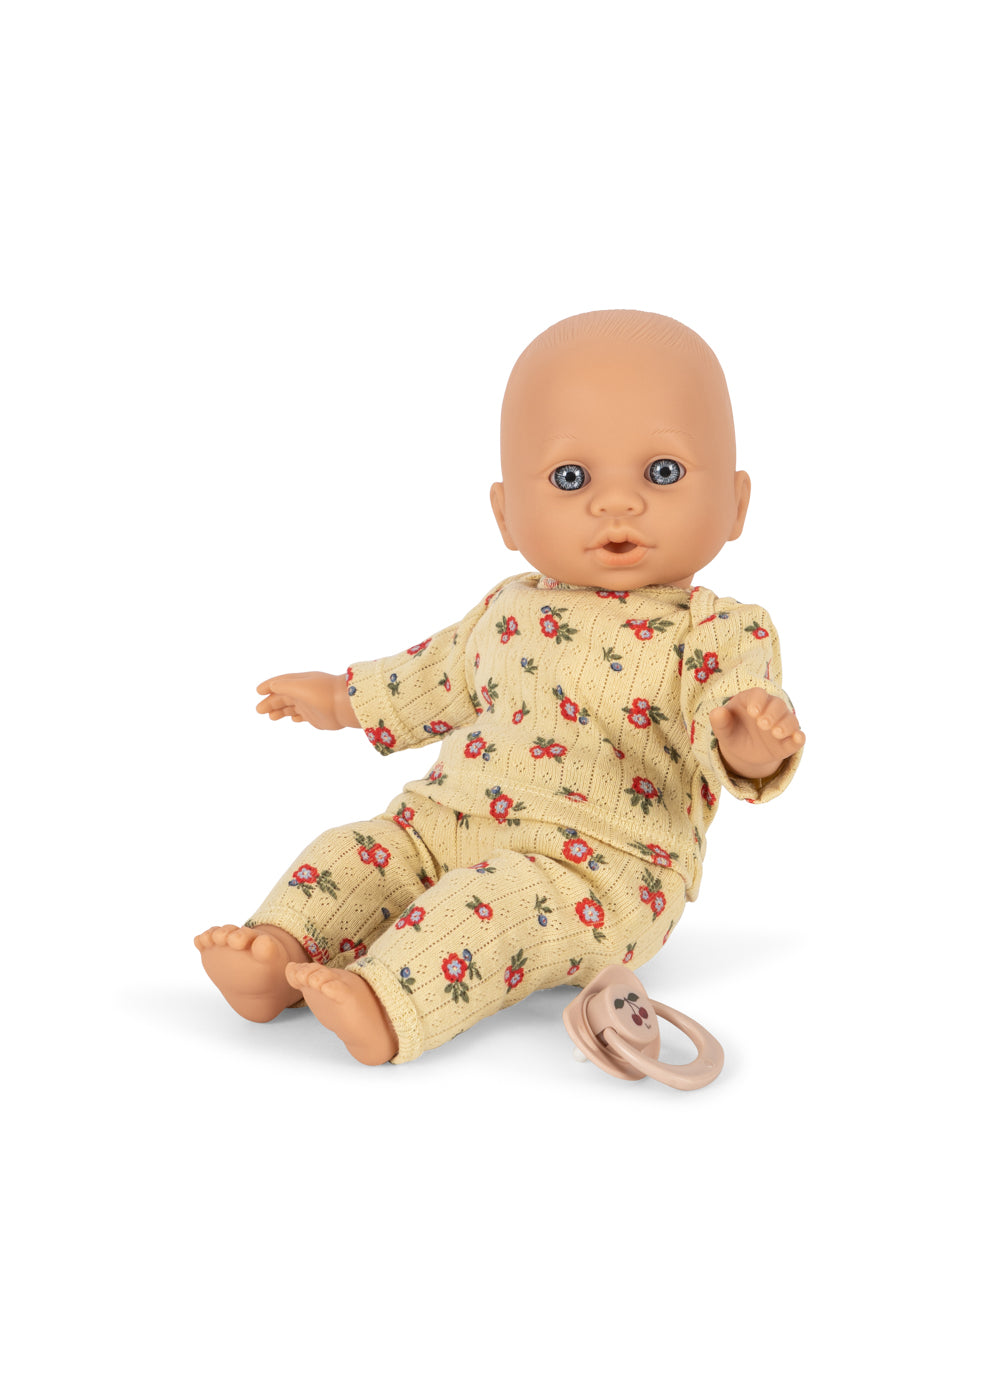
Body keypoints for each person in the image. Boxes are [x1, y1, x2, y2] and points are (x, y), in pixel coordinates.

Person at [194, 309, 806, 1065]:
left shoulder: (716, 629)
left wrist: (748, 743)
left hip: (597, 871)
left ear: (737, 504)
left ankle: (388, 1007)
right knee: (356, 850)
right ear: (507, 514)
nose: (618, 503)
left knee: (491, 904)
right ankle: (278, 951)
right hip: (442, 823)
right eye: (572, 478)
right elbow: (432, 676)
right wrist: (341, 698)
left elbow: (733, 702)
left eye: (663, 472)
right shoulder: (507, 608)